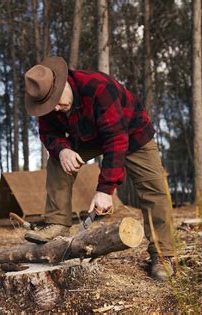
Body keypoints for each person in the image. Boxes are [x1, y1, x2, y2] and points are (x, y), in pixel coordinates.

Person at [23, 56, 174, 281]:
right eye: (48, 105)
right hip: (89, 135)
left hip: (131, 132)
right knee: (58, 160)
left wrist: (105, 190)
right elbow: (48, 134)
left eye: (56, 100)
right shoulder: (47, 103)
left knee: (154, 189)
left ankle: (162, 255)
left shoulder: (99, 88)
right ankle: (57, 222)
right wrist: (62, 149)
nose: (55, 108)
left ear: (62, 82)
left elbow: (116, 140)